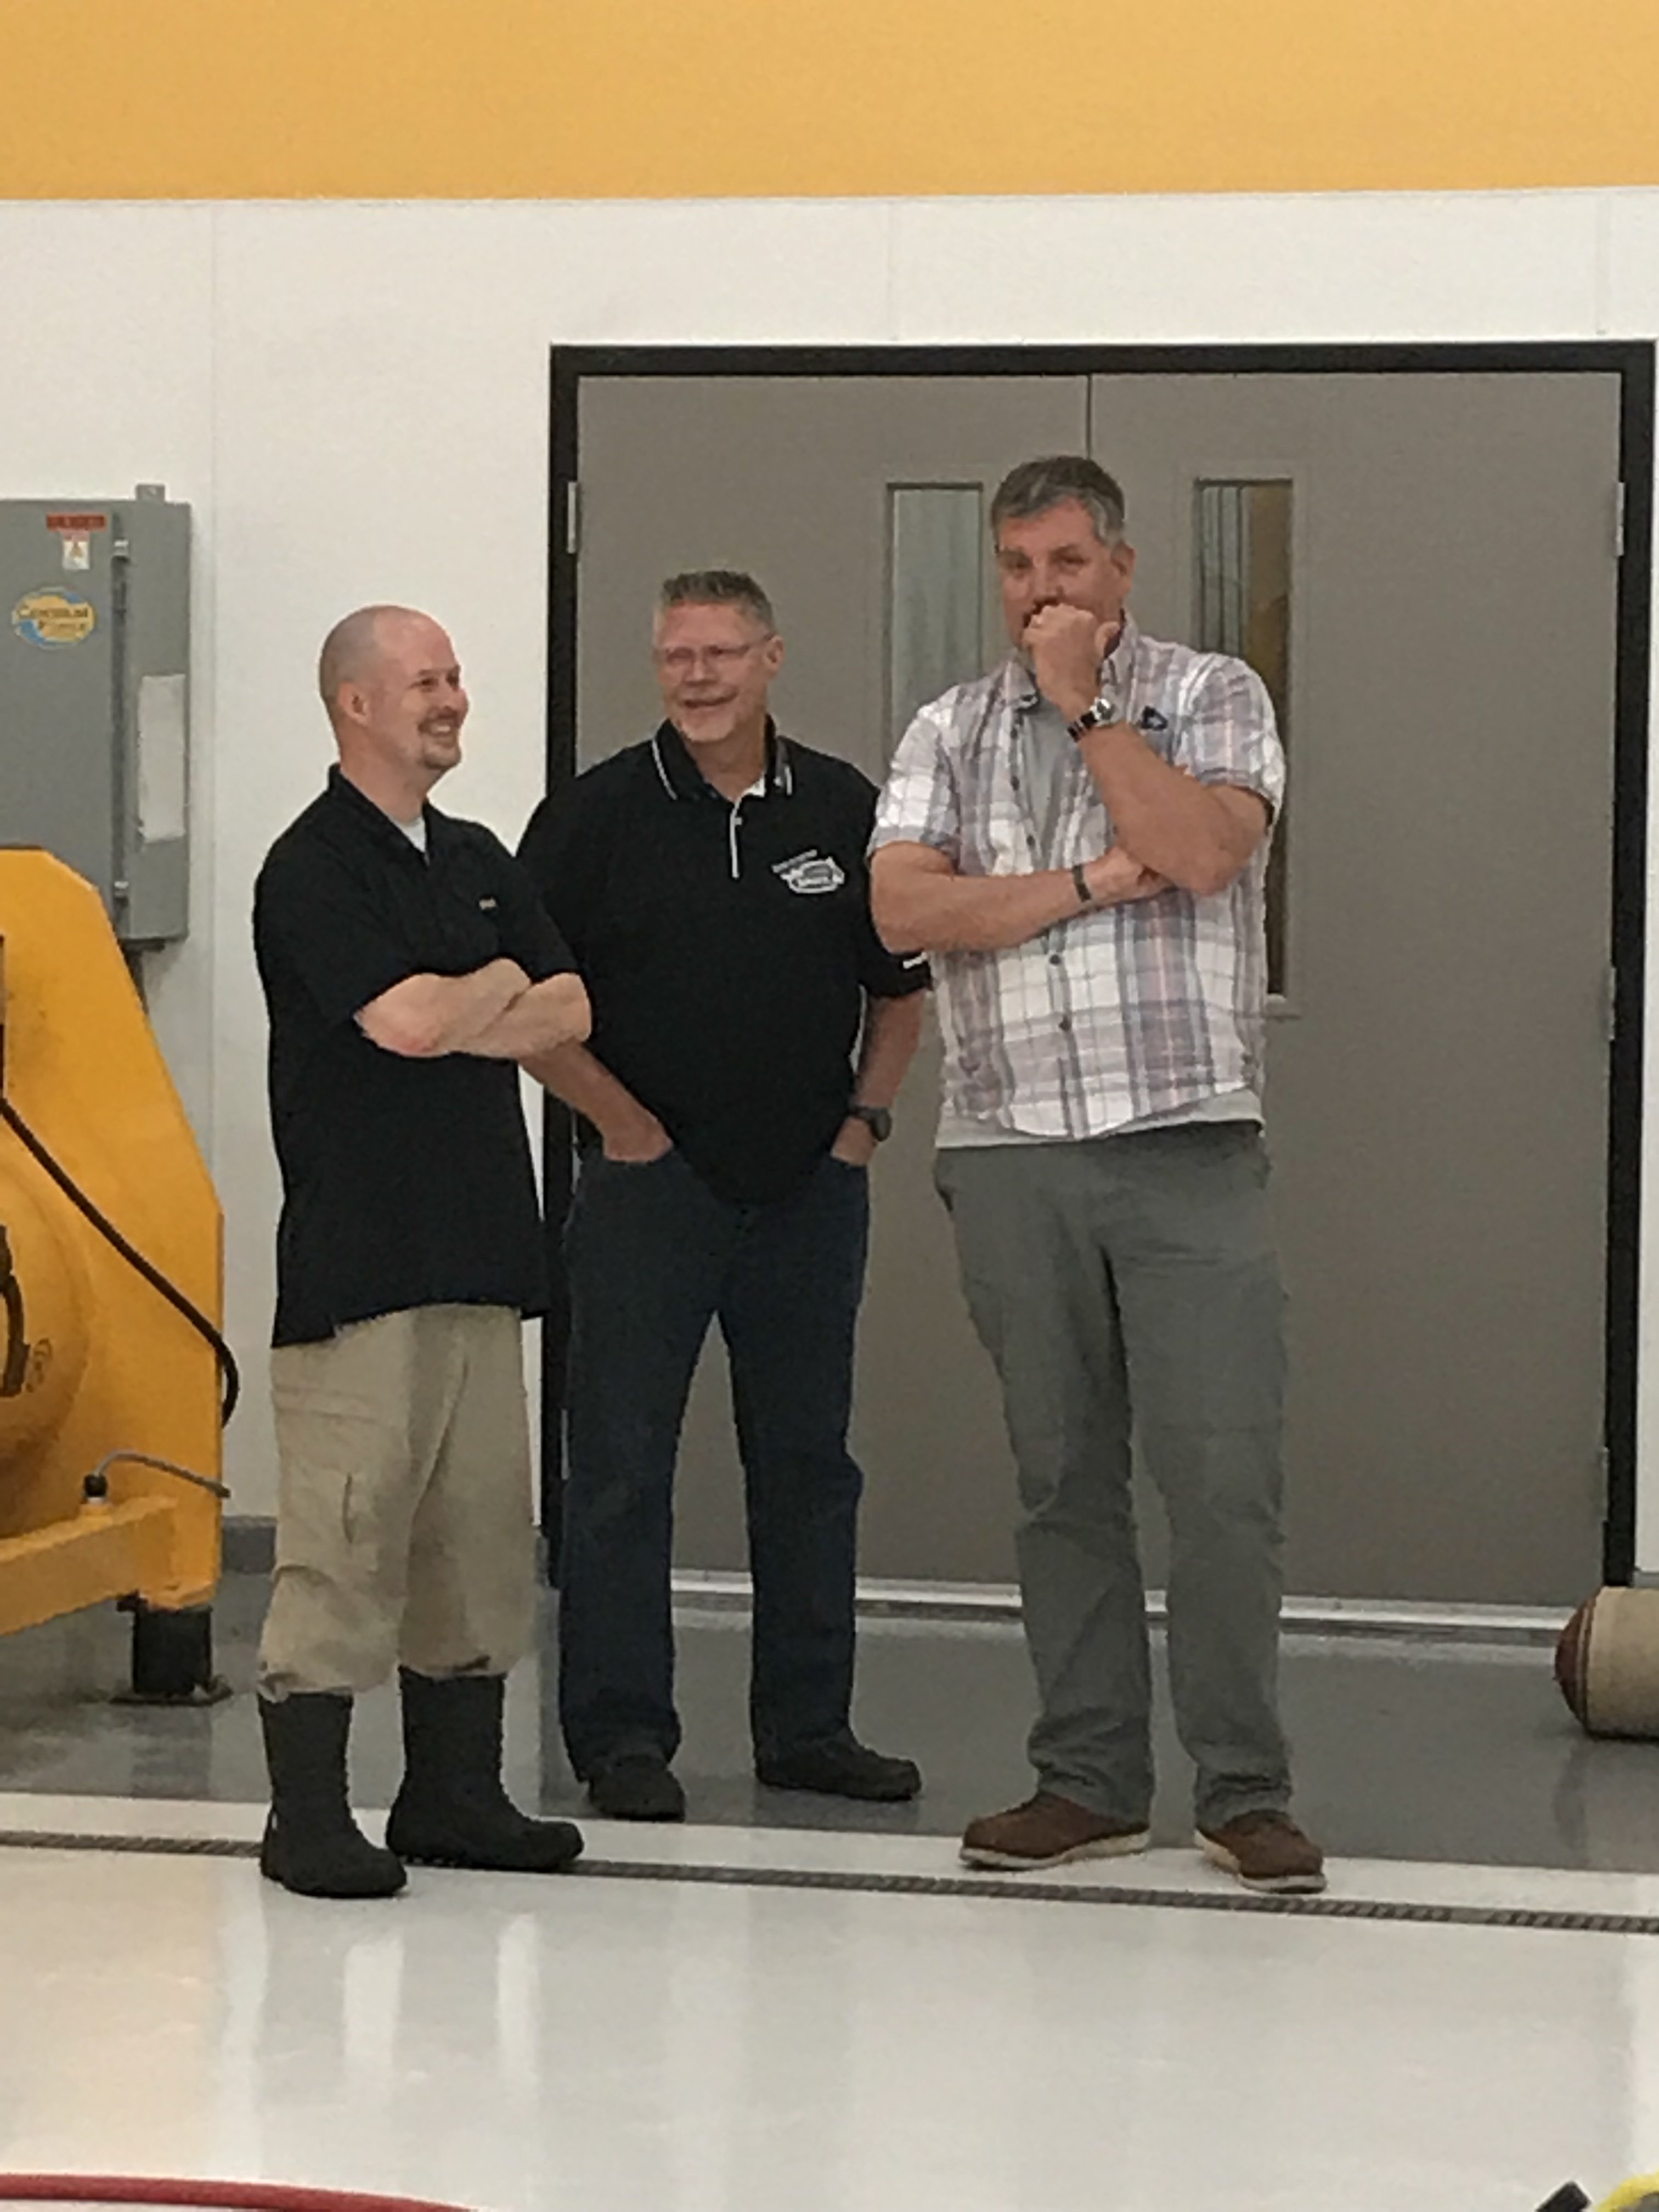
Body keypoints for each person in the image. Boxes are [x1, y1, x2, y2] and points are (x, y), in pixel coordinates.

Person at [870, 456, 1325, 1895]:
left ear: (1120, 568)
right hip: (1011, 1149)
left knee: (1222, 1480)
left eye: (1067, 564)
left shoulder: (1214, 696)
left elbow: (1198, 853)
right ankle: (1088, 1781)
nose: (1040, 593)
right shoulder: (946, 728)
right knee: (1062, 1479)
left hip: (1185, 1139)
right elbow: (901, 907)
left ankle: (1244, 1792)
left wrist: (1088, 711)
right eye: (1017, 568)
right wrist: (1080, 885)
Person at [517, 569, 928, 1822]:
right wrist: (623, 1125)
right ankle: (621, 1739)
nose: (696, 678)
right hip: (648, 1196)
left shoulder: (844, 808)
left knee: (808, 1467)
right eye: (676, 656)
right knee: (620, 1469)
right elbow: (523, 1006)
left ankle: (808, 1729)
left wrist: (862, 1128)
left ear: (771, 658)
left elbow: (900, 992)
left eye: (721, 654)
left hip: (808, 1195)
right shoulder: (592, 818)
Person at [252, 603, 592, 1899]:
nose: (452, 701)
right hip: (361, 1270)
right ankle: (307, 1818)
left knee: (477, 1542)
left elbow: (572, 1008)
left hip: (483, 1257)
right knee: (345, 1543)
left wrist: (468, 996)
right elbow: (399, 1025)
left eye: (455, 679)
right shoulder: (312, 868)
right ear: (355, 704)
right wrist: (492, 985)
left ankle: (454, 1794)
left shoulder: (480, 856)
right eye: (425, 683)